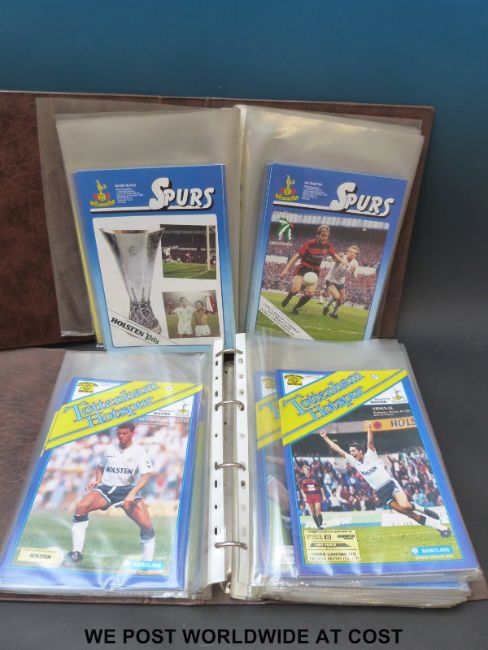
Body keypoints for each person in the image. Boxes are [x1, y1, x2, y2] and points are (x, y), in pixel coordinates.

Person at [319, 423, 451, 537]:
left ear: (360, 451)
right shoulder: (354, 462)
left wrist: (369, 428)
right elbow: (338, 450)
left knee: (406, 506)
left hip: (390, 484)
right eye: (350, 451)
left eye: (353, 451)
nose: (351, 453)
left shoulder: (371, 455)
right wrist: (325, 438)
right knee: (409, 514)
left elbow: (370, 443)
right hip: (381, 492)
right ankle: (441, 528)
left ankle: (419, 507)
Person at [64, 422, 156, 564]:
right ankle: (77, 553)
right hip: (106, 489)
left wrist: (132, 494)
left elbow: (146, 475)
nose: (121, 436)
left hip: (127, 490)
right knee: (81, 506)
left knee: (147, 526)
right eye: (119, 433)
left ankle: (147, 563)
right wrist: (97, 481)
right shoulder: (109, 449)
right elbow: (100, 466)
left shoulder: (139, 451)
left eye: (125, 433)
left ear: (132, 434)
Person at [280, 225, 342, 315]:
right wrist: (286, 270)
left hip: (315, 271)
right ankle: (289, 297)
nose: (325, 238)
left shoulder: (328, 246)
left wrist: (343, 261)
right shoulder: (309, 244)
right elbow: (296, 257)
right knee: (295, 290)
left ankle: (296, 308)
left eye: (326, 236)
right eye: (323, 235)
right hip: (303, 268)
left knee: (310, 294)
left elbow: (335, 257)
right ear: (317, 235)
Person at [322, 245, 359, 319]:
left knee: (341, 300)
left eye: (354, 253)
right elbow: (327, 259)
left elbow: (354, 277)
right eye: (351, 252)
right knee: (337, 297)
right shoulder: (342, 257)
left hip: (341, 282)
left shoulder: (355, 263)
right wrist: (336, 256)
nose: (352, 254)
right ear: (347, 252)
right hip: (331, 280)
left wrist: (353, 272)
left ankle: (333, 313)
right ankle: (326, 306)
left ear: (356, 255)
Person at [298, 464, 326, 529]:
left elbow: (321, 487)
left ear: (309, 470)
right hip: (309, 496)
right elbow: (301, 488)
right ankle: (318, 526)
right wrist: (304, 496)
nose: (305, 471)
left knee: (318, 510)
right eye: (304, 470)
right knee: (313, 512)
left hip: (316, 495)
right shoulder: (303, 479)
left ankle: (321, 524)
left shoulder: (315, 477)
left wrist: (323, 496)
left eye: (306, 470)